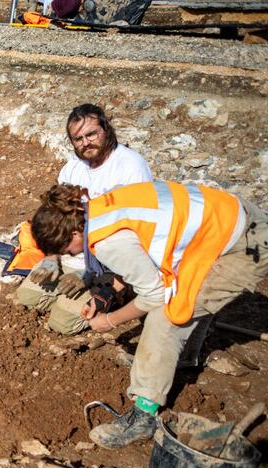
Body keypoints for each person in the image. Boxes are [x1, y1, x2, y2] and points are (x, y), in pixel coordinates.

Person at [28, 181, 268, 448]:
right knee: (189, 298)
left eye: (66, 250)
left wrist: (110, 320)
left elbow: (154, 295)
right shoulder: (98, 210)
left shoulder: (108, 242)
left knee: (166, 318)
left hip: (245, 244)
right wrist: (104, 295)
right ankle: (185, 356)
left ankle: (144, 414)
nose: (72, 254)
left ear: (74, 233)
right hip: (226, 222)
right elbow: (140, 256)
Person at [15, 104, 152, 335]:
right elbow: (56, 220)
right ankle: (66, 292)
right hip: (71, 255)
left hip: (109, 264)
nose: (86, 143)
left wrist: (92, 276)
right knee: (26, 299)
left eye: (91, 134)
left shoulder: (130, 167)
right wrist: (52, 258)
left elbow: (138, 236)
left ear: (106, 129)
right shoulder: (72, 169)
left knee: (62, 323)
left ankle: (116, 295)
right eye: (78, 139)